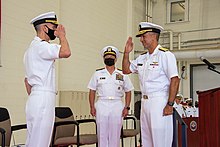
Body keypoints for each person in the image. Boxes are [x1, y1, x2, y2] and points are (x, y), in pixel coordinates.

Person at [122, 22, 180, 147]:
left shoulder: (165, 55)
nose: (141, 40)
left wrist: (170, 104)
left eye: (144, 36)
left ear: (154, 36)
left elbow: (175, 80)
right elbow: (126, 70)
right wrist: (126, 53)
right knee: (147, 141)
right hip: (145, 103)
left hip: (159, 102)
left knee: (160, 141)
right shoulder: (142, 58)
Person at [24, 11, 71, 147]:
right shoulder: (42, 47)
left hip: (34, 97)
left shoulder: (29, 50)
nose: (55, 30)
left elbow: (26, 81)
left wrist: (37, 95)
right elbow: (66, 52)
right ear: (45, 28)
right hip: (43, 97)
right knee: (41, 143)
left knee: (33, 141)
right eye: (53, 27)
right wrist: (62, 37)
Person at [87, 46, 134, 147]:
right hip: (102, 104)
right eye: (107, 56)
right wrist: (91, 106)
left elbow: (128, 91)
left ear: (116, 59)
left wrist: (127, 107)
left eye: (111, 57)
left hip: (117, 104)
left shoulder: (122, 74)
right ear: (104, 59)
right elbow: (92, 91)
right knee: (102, 133)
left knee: (115, 133)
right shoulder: (97, 73)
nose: (109, 58)